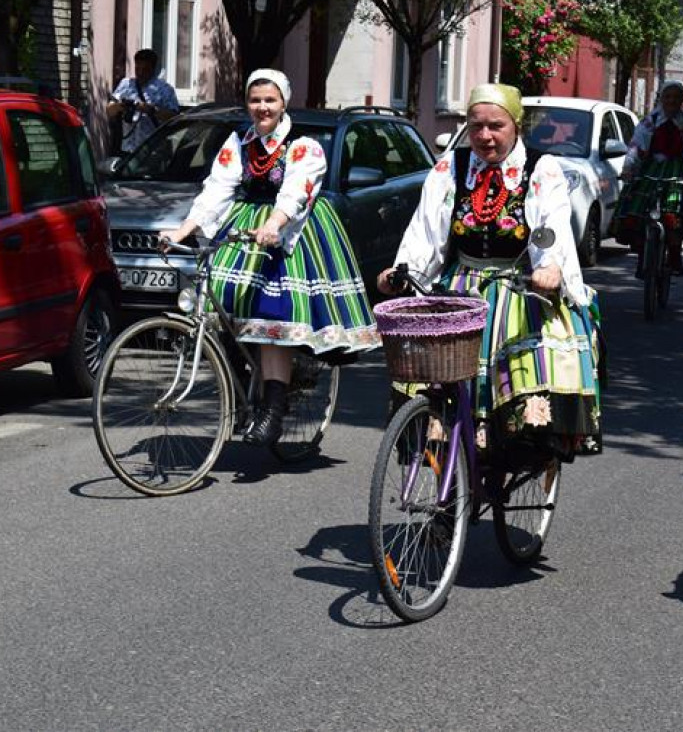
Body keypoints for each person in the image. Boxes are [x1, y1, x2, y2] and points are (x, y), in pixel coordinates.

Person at [377, 83, 602, 465]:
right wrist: (404, 271)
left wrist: (549, 268)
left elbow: (553, 226)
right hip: (460, 289)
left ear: (516, 124)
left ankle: (510, 459)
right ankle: (446, 490)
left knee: (524, 374)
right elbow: (426, 229)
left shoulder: (540, 169)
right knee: (434, 383)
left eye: (495, 125)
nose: (484, 135)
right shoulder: (452, 167)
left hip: (517, 286)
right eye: (476, 125)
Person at [161, 69, 380, 445]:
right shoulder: (237, 143)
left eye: (270, 100)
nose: (262, 107)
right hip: (246, 223)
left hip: (291, 229)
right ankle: (243, 381)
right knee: (218, 303)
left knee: (271, 318)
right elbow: (216, 190)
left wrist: (275, 224)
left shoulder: (303, 146)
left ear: (283, 103)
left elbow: (296, 192)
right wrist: (183, 230)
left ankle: (273, 409)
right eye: (255, 100)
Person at [613, 79, 683, 276]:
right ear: (661, 99)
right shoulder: (650, 122)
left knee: (673, 214)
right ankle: (642, 257)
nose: (672, 101)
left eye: (676, 97)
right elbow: (636, 148)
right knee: (636, 212)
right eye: (668, 97)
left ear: (682, 100)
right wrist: (629, 169)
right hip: (650, 171)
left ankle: (674, 257)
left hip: (677, 172)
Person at [106, 48, 180, 154]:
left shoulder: (165, 89)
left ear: (154, 69)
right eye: (137, 68)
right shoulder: (126, 84)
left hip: (153, 152)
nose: (140, 73)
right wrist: (122, 105)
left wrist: (150, 110)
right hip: (127, 148)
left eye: (145, 69)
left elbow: (174, 117)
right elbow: (109, 111)